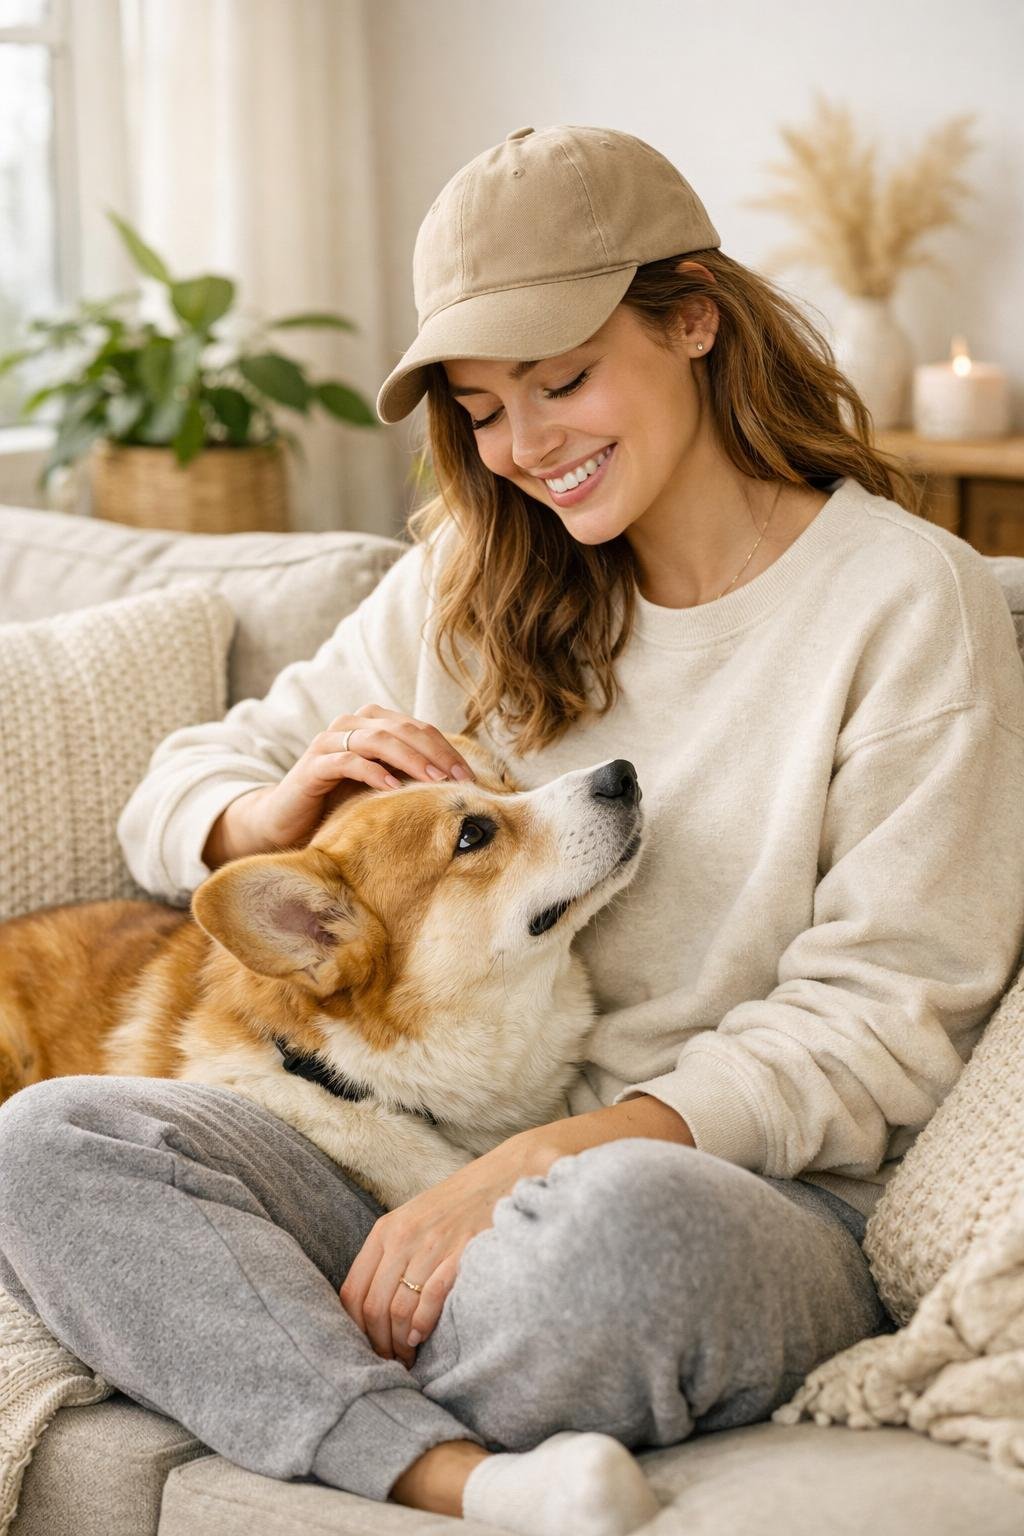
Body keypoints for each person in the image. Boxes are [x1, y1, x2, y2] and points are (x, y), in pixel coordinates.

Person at [2, 123, 1024, 1536]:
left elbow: (882, 1023)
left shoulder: (911, 604)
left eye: (562, 380)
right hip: (416, 1179)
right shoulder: (470, 577)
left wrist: (534, 1166)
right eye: (482, 410)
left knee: (610, 1252)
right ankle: (457, 1476)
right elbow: (177, 788)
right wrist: (272, 805)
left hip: (717, 1193)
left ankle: (254, 1367)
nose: (526, 446)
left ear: (694, 319)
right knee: (54, 1140)